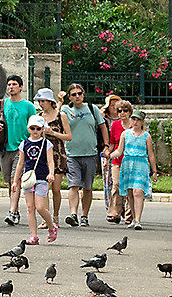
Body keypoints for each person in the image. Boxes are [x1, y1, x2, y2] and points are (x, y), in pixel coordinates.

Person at [0, 75, 35, 225]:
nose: (11, 87)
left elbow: (34, 126)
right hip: (6, 147)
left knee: (16, 180)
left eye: (14, 84)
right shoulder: (2, 104)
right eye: (9, 84)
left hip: (22, 149)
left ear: (21, 87)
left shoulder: (28, 106)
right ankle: (15, 210)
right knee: (10, 182)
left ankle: (12, 212)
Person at [61, 81, 107, 227]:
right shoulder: (65, 110)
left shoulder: (92, 109)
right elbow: (54, 117)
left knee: (87, 187)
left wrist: (106, 145)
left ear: (83, 94)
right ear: (69, 97)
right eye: (74, 94)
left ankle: (84, 215)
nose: (77, 96)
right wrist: (59, 100)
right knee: (73, 185)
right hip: (71, 154)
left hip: (90, 153)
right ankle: (73, 214)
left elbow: (103, 127)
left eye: (79, 93)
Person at [112, 100, 155, 228]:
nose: (135, 122)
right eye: (133, 119)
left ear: (142, 122)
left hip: (141, 165)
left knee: (138, 192)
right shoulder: (125, 134)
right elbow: (119, 151)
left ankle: (138, 220)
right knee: (130, 193)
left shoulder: (147, 136)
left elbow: (151, 154)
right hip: (127, 164)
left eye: (138, 120)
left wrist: (155, 171)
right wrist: (109, 155)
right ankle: (133, 218)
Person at [31, 88, 69, 225]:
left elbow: (69, 136)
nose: (41, 104)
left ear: (50, 101)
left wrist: (53, 133)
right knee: (44, 189)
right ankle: (46, 219)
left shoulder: (61, 116)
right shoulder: (39, 117)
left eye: (43, 101)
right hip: (43, 155)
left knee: (56, 189)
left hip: (57, 155)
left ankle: (56, 216)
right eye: (39, 101)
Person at [19, 116, 58, 245]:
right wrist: (15, 180)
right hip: (28, 179)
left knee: (40, 207)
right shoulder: (24, 144)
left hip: (42, 178)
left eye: (38, 128)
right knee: (30, 208)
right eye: (32, 128)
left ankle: (52, 226)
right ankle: (33, 236)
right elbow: (21, 163)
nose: (35, 131)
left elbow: (50, 161)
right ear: (28, 128)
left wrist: (51, 173)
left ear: (42, 129)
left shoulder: (46, 143)